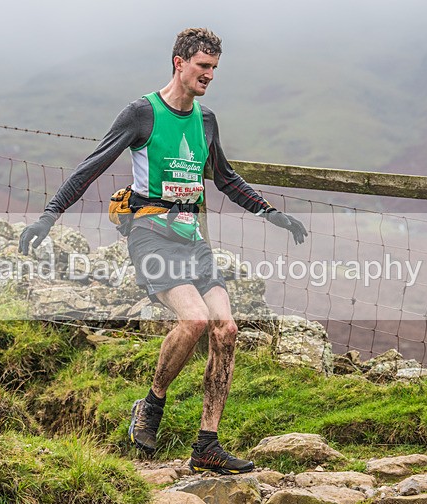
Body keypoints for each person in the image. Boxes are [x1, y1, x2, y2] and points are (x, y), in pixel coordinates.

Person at [19, 28, 307, 475]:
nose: (209, 75)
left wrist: (271, 213)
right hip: (150, 234)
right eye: (202, 67)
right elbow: (91, 167)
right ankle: (152, 404)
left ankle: (207, 444)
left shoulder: (206, 120)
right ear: (179, 63)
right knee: (193, 319)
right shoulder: (142, 114)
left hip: (193, 238)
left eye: (214, 68)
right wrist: (49, 215)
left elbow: (226, 177)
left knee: (226, 330)